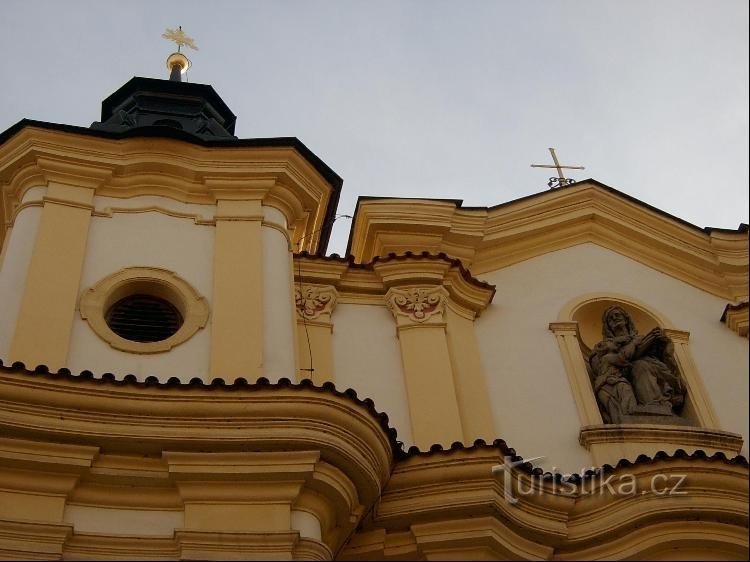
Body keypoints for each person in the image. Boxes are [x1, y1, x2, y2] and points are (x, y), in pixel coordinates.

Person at [589, 306, 684, 423]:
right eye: (610, 318)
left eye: (617, 315)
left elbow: (663, 358)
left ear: (626, 319)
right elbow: (608, 361)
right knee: (638, 367)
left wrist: (664, 344)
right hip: (621, 376)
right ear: (608, 326)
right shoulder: (606, 345)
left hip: (649, 369)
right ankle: (650, 406)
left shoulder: (640, 338)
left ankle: (655, 404)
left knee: (641, 365)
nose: (614, 318)